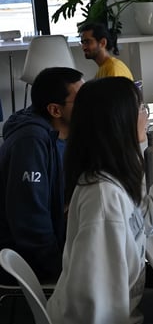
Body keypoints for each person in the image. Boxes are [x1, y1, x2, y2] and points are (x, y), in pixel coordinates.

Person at [46, 77, 153, 323]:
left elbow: (144, 222)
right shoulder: (103, 199)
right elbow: (95, 307)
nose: (146, 115)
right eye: (142, 108)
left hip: (126, 306)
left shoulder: (114, 175)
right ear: (119, 121)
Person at [0, 67, 84, 285]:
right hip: (28, 257)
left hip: (55, 238)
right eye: (82, 99)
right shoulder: (31, 143)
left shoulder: (65, 132)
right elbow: (30, 222)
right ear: (55, 110)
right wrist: (59, 268)